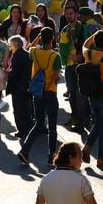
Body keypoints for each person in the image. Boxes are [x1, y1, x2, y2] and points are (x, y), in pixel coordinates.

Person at [18, 27, 61, 165]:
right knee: (52, 126)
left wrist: (38, 38)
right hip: (50, 91)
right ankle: (51, 157)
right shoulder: (55, 56)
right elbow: (55, 78)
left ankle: (25, 150)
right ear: (53, 38)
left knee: (38, 123)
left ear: (41, 38)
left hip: (38, 91)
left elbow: (29, 46)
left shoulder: (34, 52)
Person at [32, 142, 102, 204]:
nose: (82, 161)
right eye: (80, 157)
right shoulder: (81, 180)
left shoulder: (46, 179)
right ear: (70, 158)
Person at [79, 30, 103, 168]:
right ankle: (99, 155)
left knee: (99, 123)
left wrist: (93, 35)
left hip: (91, 94)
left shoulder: (88, 53)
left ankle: (93, 151)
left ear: (94, 41)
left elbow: (84, 44)